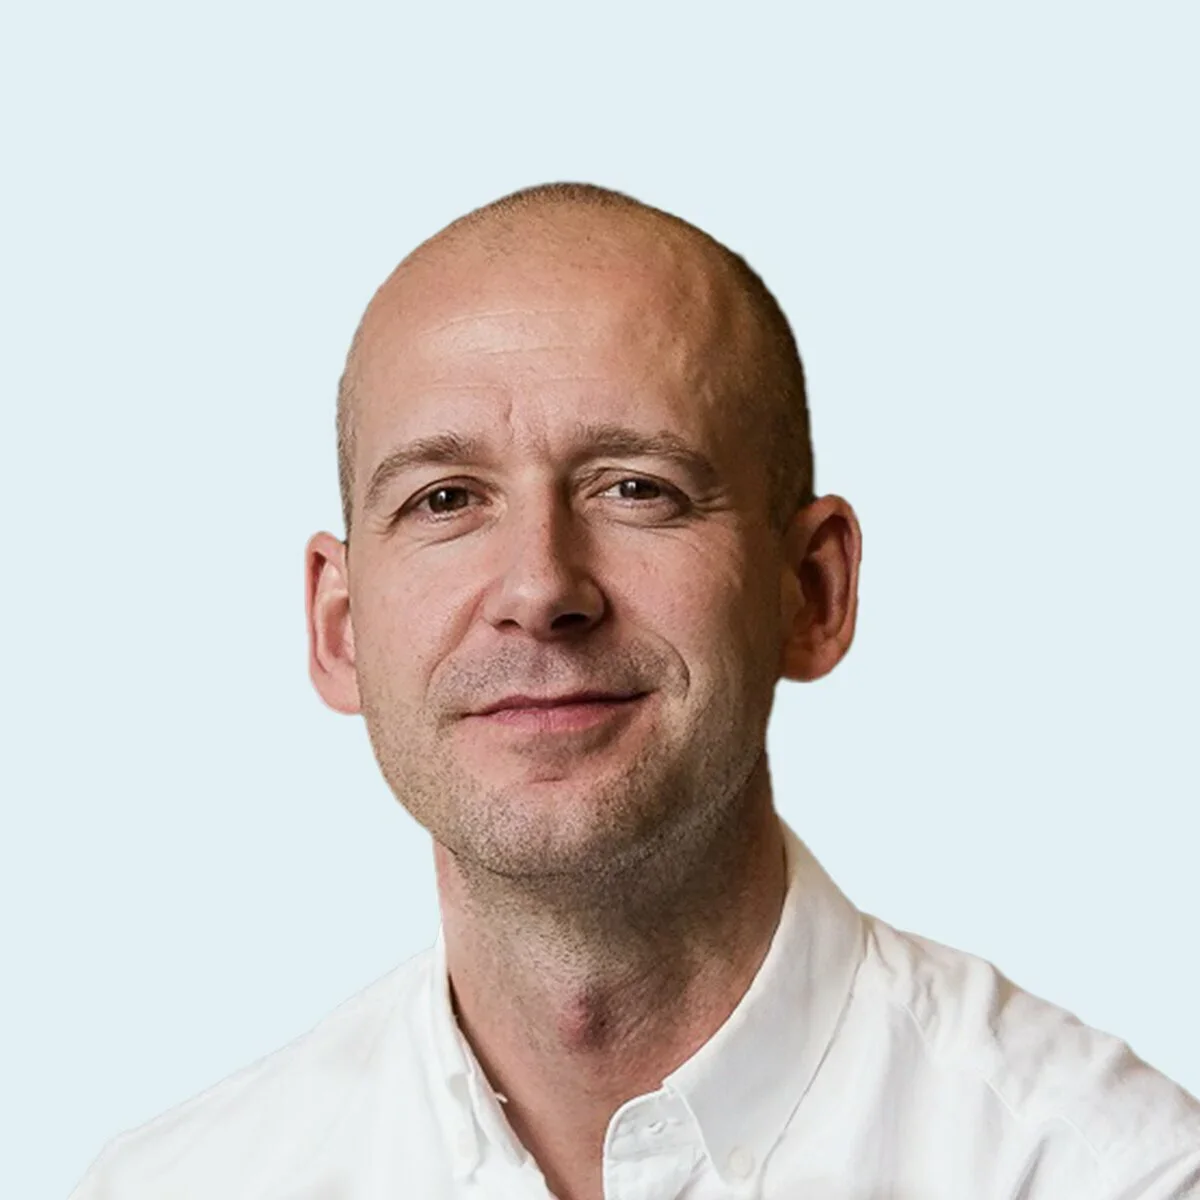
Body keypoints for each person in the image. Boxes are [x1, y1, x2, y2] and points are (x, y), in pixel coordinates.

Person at [71, 182, 1200, 1200]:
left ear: (812, 591)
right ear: (340, 627)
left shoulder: (1108, 1174)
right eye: (446, 499)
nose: (539, 588)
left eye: (636, 487)